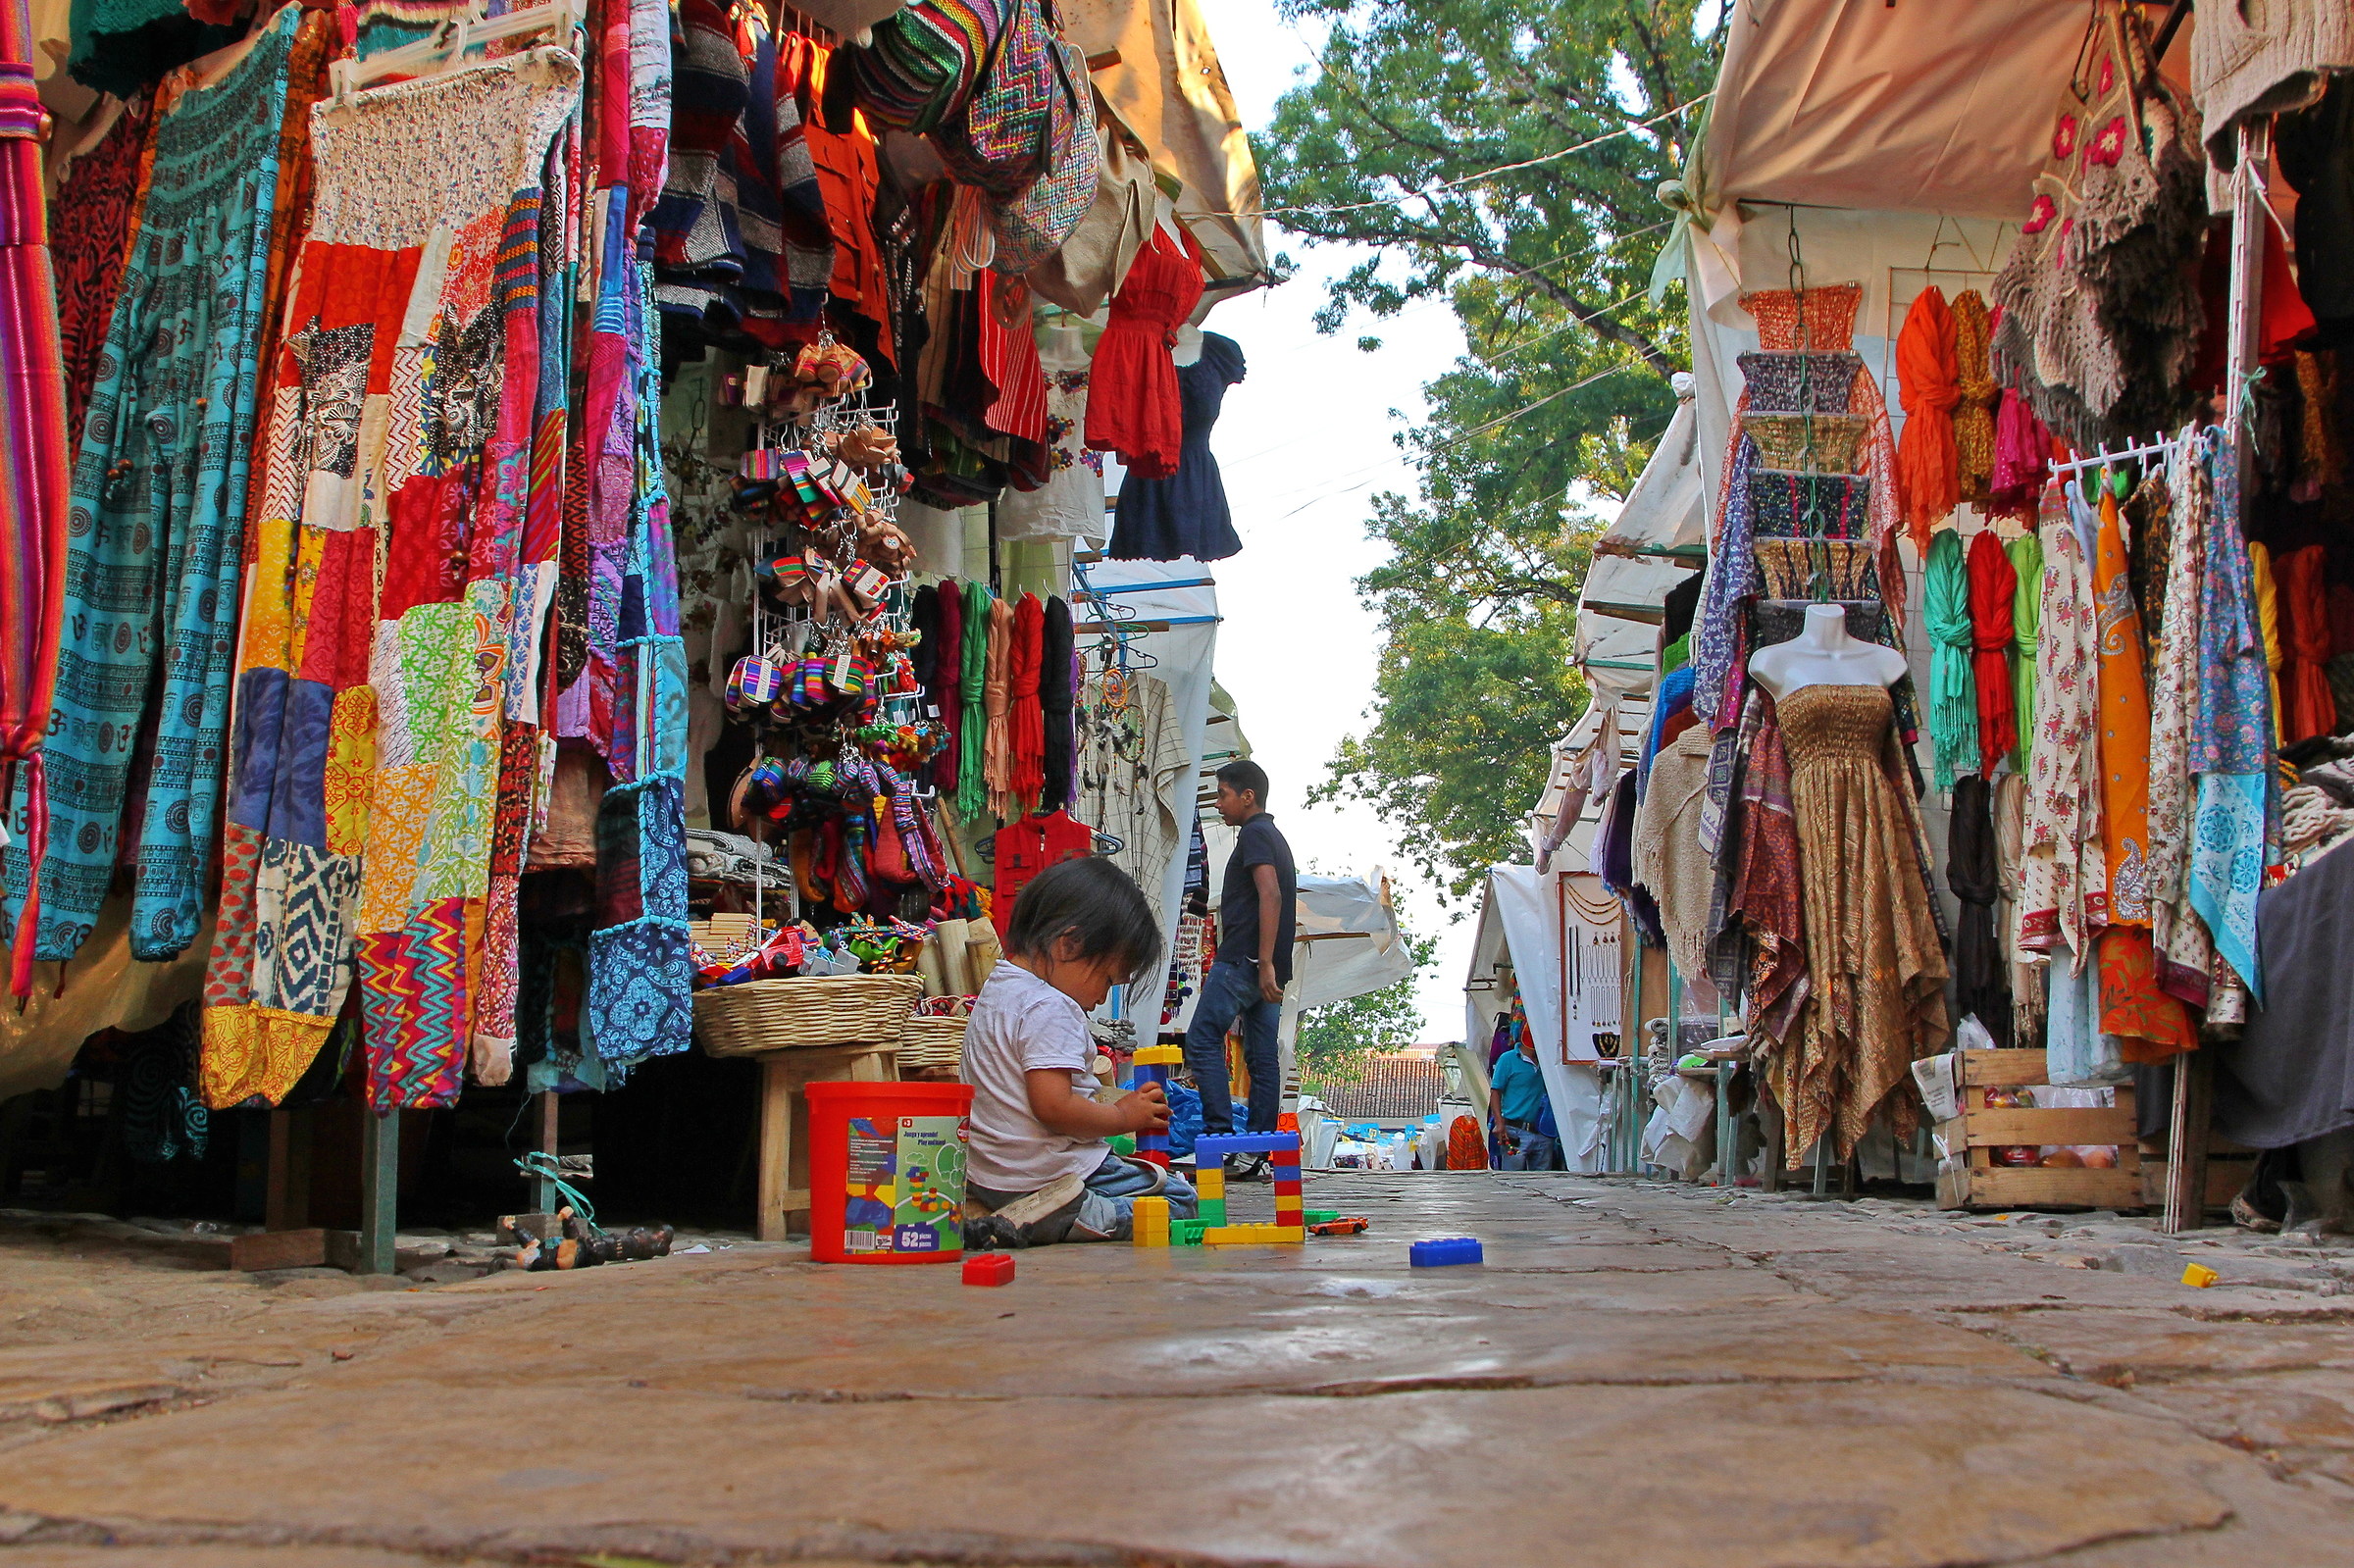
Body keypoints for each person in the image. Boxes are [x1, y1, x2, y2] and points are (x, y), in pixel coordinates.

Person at [962, 857, 1197, 1246]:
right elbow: (1055, 1109)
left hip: (991, 1176)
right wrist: (1123, 1116)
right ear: (1068, 945)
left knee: (1147, 1179)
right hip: (1044, 1175)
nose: (1102, 998)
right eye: (1107, 980)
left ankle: (1041, 1213)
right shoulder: (1049, 1006)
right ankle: (1075, 1216)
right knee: (1179, 1198)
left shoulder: (998, 990)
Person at [1183, 759, 1296, 1179]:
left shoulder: (1255, 834)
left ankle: (1221, 1140)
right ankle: (1257, 1150)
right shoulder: (1274, 836)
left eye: (1223, 794)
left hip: (1244, 962)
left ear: (1248, 796)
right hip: (1267, 967)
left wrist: (1262, 963)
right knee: (1263, 1058)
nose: (1218, 803)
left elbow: (1271, 895)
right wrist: (1271, 965)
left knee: (1201, 1039)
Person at [1490, 1030, 1557, 1171]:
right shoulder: (1508, 1059)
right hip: (1515, 1130)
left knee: (1543, 1179)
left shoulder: (1547, 1060)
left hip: (1544, 1132)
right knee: (1513, 1179)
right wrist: (1499, 1122)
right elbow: (1495, 1092)